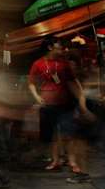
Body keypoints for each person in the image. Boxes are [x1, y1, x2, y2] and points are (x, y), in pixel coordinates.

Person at [28, 37, 91, 176]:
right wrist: (37, 96)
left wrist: (81, 98)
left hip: (65, 103)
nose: (61, 49)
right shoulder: (38, 64)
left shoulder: (64, 64)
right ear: (50, 47)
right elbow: (31, 82)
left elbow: (73, 81)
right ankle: (55, 161)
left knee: (69, 133)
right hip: (48, 104)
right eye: (59, 46)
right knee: (53, 135)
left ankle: (72, 162)